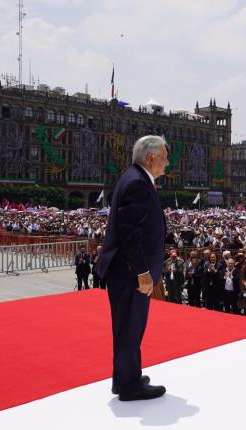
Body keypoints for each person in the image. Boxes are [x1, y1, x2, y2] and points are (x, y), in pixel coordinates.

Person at [96, 135, 169, 401]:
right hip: (130, 273)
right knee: (129, 326)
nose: (167, 162)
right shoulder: (138, 183)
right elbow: (130, 233)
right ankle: (128, 385)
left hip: (125, 271)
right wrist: (142, 272)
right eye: (164, 156)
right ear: (151, 157)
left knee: (130, 326)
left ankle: (127, 375)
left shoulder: (133, 177)